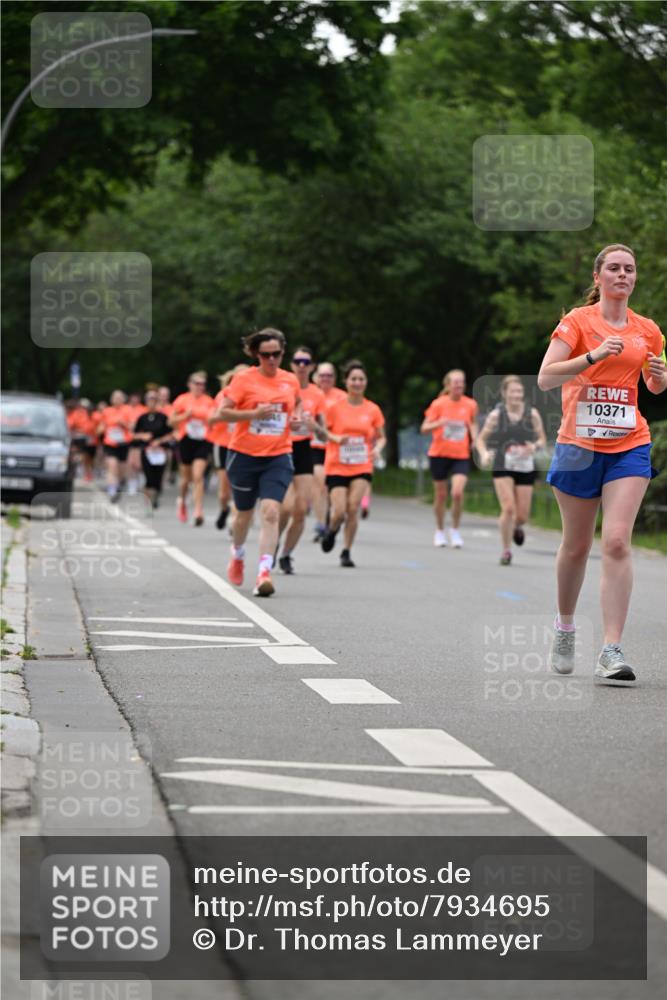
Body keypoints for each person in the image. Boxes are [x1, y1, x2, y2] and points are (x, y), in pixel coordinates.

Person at [537, 243, 666, 684]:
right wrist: (593, 355)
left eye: (629, 269)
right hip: (577, 446)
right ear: (598, 277)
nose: (622, 275)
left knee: (615, 541)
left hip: (629, 443)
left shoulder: (648, 329)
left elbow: (652, 382)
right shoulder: (576, 322)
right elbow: (546, 376)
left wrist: (659, 378)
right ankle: (566, 625)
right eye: (614, 268)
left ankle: (612, 648)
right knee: (576, 546)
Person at [214, 329, 301, 597]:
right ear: (256, 354)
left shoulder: (290, 380)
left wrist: (295, 418)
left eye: (277, 354)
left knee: (272, 512)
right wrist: (254, 413)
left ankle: (264, 571)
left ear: (283, 353)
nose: (272, 359)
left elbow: (295, 405)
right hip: (244, 455)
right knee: (243, 515)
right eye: (266, 355)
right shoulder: (243, 380)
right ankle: (238, 554)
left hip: (278, 454)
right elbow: (222, 413)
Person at [320, 360, 386, 567]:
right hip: (337, 464)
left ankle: (346, 551)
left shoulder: (373, 409)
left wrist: (377, 449)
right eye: (353, 379)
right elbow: (323, 433)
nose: (357, 383)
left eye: (361, 379)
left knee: (353, 507)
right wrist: (336, 438)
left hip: (361, 465)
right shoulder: (334, 408)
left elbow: (382, 436)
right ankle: (331, 531)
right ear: (346, 382)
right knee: (338, 511)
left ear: (365, 382)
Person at [476, 375, 547, 564]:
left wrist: (535, 446)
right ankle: (506, 551)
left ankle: (517, 526)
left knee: (522, 515)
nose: (517, 395)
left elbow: (542, 439)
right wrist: (484, 454)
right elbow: (481, 439)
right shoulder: (496, 415)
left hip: (525, 465)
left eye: (520, 391)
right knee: (508, 508)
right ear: (504, 393)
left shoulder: (532, 414)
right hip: (502, 464)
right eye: (513, 391)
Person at [276, 346, 326, 574]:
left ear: (312, 366)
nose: (302, 365)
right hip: (282, 447)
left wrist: (315, 426)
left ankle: (286, 554)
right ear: (292, 364)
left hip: (304, 448)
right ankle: (272, 543)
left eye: (306, 361)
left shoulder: (317, 394)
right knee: (285, 507)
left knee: (300, 509)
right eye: (298, 361)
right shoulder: (282, 385)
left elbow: (324, 433)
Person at [421, 369, 479, 548]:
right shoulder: (438, 404)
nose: (459, 385)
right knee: (440, 495)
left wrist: (475, 438)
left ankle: (454, 530)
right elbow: (424, 428)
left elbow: (474, 423)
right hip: (439, 455)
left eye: (462, 382)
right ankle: (439, 531)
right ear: (447, 385)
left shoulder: (470, 404)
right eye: (455, 382)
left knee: (457, 492)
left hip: (460, 455)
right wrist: (438, 423)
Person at [169, 372, 215, 526]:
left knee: (198, 476)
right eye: (196, 383)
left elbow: (214, 420)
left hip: (202, 441)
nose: (199, 386)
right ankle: (182, 502)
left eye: (202, 384)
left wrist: (210, 421)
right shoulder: (182, 400)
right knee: (185, 479)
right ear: (190, 384)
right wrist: (184, 417)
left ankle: (198, 510)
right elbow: (171, 421)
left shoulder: (209, 401)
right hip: (186, 440)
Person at [208, 365, 249, 530]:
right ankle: (224, 509)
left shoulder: (253, 397)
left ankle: (235, 520)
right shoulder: (223, 395)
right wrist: (225, 414)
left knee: (239, 486)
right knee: (224, 492)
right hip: (224, 445)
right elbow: (211, 420)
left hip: (244, 446)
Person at [311, 362, 346, 541]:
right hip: (314, 448)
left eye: (329, 375)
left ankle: (332, 516)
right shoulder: (310, 394)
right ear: (316, 376)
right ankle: (321, 523)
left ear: (335, 378)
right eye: (322, 375)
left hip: (335, 447)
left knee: (331, 488)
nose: (325, 379)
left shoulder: (342, 397)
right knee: (320, 483)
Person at [133, 389, 173, 509]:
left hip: (160, 451)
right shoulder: (142, 418)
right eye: (150, 400)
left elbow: (171, 434)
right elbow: (134, 434)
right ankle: (149, 499)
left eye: (154, 400)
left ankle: (156, 494)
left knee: (159, 475)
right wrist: (143, 436)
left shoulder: (163, 417)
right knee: (148, 475)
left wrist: (159, 441)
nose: (152, 403)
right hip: (147, 450)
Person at [97, 389, 133, 501]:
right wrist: (100, 429)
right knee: (112, 466)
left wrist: (123, 424)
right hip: (110, 443)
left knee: (121, 470)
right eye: (115, 398)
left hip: (123, 443)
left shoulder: (128, 410)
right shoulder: (107, 411)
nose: (117, 400)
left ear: (123, 399)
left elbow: (132, 427)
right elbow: (100, 427)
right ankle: (112, 491)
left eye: (119, 398)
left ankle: (119, 484)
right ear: (111, 399)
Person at [126, 391, 148, 495]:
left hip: (139, 438)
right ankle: (132, 483)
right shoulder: (125, 408)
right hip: (128, 438)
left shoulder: (143, 409)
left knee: (139, 463)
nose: (134, 400)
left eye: (136, 398)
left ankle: (141, 478)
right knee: (130, 463)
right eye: (133, 398)